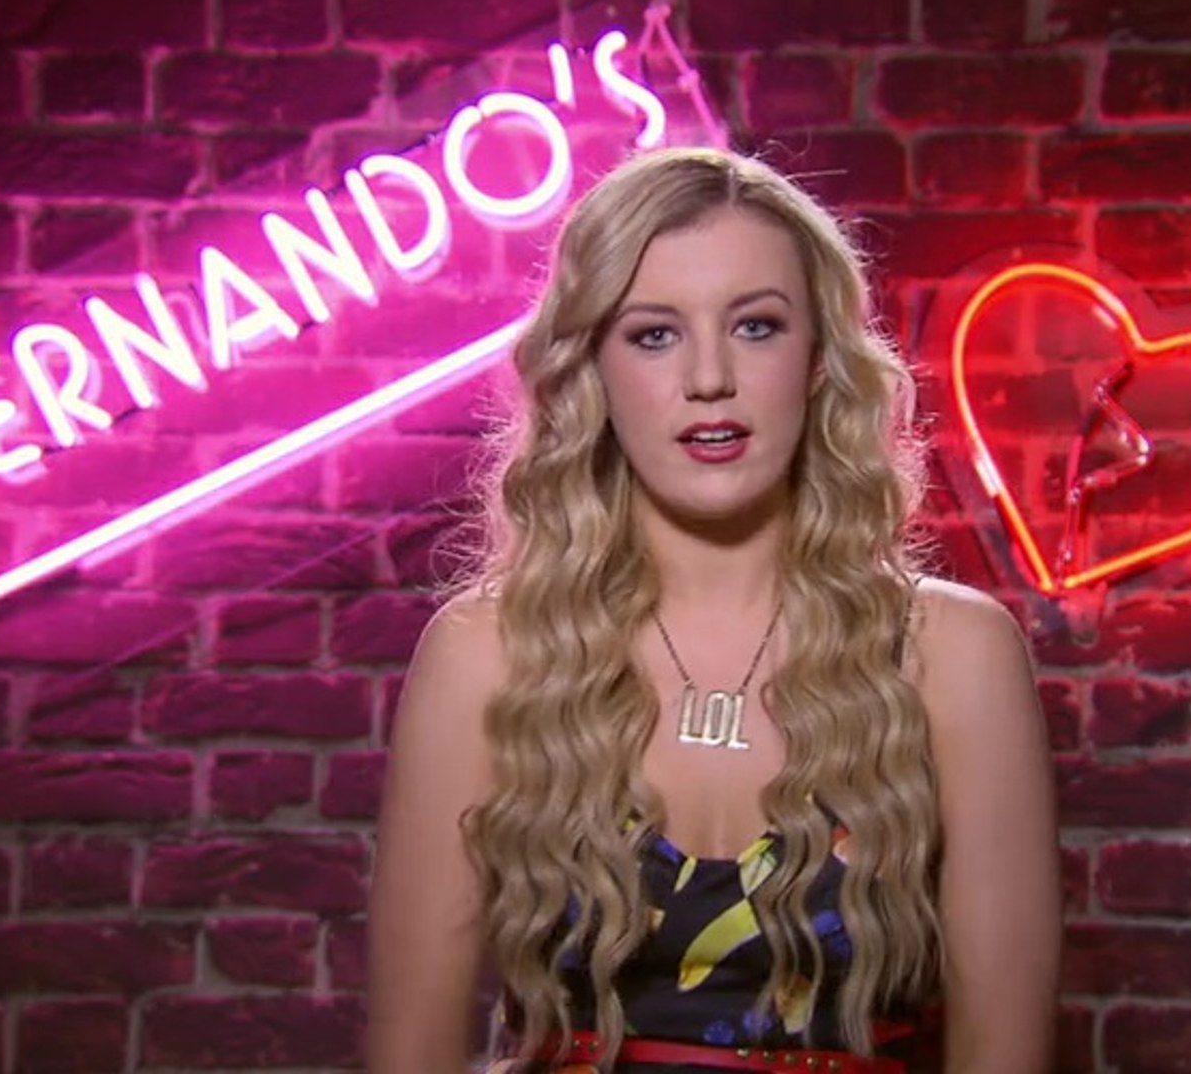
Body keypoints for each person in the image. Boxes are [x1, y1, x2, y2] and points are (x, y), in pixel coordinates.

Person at [365, 147, 1061, 1074]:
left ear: (818, 360)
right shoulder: (487, 654)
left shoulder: (952, 655)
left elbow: (1004, 1055)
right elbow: (409, 1054)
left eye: (756, 326)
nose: (708, 378)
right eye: (653, 334)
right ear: (591, 370)